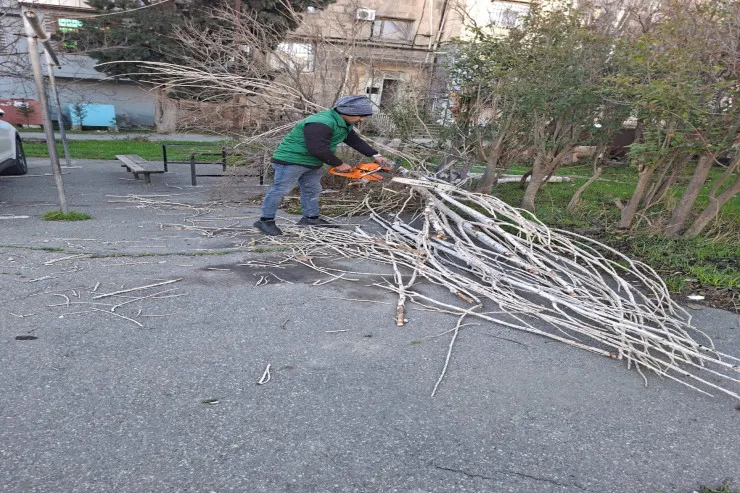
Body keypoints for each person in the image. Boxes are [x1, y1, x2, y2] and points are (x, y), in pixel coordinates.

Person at [253, 95, 390, 236]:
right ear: (347, 112)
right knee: (280, 189)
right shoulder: (321, 122)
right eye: (360, 116)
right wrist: (338, 163)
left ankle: (310, 218)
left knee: (312, 189)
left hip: (313, 161)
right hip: (291, 159)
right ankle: (265, 221)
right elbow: (317, 148)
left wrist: (376, 155)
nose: (362, 119)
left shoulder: (344, 123)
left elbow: (355, 141)